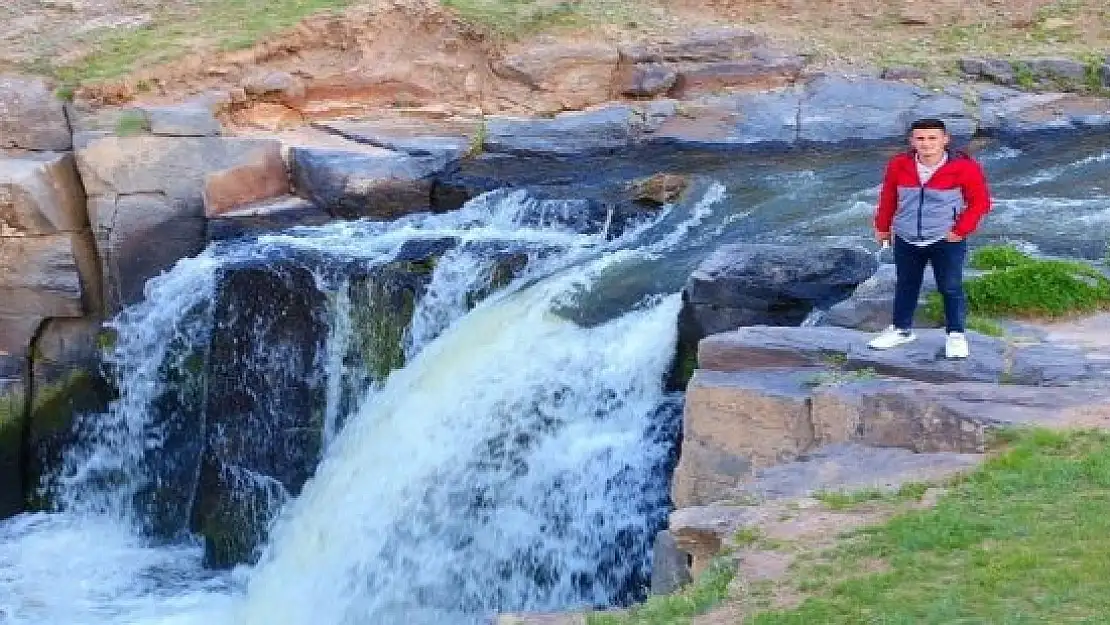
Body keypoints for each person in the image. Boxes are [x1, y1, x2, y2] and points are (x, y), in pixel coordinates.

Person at [867, 118, 992, 359]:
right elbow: (888, 197)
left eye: (932, 138)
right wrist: (882, 227)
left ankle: (955, 334)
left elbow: (980, 202)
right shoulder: (898, 165)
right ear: (912, 141)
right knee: (906, 284)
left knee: (950, 287)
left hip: (946, 238)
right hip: (906, 236)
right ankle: (901, 329)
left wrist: (959, 231)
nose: (926, 144)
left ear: (945, 140)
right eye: (920, 138)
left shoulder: (965, 167)